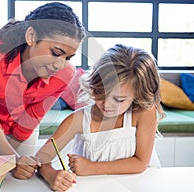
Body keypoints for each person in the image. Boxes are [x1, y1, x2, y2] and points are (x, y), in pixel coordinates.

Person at [0, 2, 85, 180]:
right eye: (55, 53)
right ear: (31, 36)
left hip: (22, 125)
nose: (60, 64)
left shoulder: (65, 73)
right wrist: (12, 160)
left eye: (67, 57)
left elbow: (34, 114)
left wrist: (17, 161)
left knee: (25, 176)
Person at [34, 44, 166, 191]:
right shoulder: (79, 119)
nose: (106, 104)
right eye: (100, 93)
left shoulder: (144, 113)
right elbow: (41, 158)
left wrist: (92, 167)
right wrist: (51, 175)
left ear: (137, 95)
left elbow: (141, 162)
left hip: (139, 186)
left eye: (119, 100)